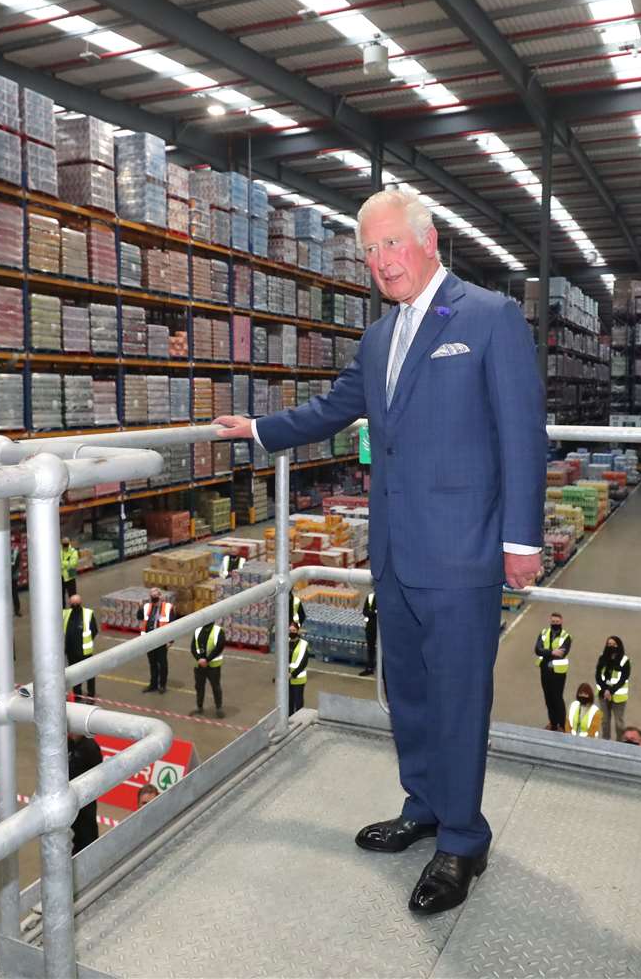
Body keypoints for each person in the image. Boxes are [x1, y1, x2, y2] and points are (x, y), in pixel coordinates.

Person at [213, 188, 546, 916]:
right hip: (396, 553)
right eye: (369, 250)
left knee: (459, 699)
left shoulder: (489, 319)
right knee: (413, 697)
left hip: (463, 554)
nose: (381, 262)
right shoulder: (377, 338)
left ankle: (462, 839)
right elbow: (335, 407)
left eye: (392, 244)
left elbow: (524, 436)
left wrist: (521, 540)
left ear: (430, 242)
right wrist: (260, 430)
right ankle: (424, 806)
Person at [66, 732, 103, 853]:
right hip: (69, 798)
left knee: (87, 835)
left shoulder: (90, 747)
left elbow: (98, 773)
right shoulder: (67, 743)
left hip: (85, 800)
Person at [534, 613, 572, 731]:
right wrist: (552, 652)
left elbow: (562, 653)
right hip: (545, 670)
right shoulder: (544, 633)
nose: (555, 623)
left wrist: (545, 652)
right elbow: (537, 649)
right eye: (553, 621)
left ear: (561, 622)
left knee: (557, 698)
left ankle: (561, 724)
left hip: (558, 672)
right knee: (548, 698)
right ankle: (553, 723)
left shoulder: (566, 637)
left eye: (557, 622)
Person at [594, 636, 632, 741]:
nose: (611, 646)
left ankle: (620, 743)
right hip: (603, 695)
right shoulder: (602, 657)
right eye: (609, 644)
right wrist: (605, 690)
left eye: (614, 644)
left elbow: (623, 678)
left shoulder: (625, 660)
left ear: (619, 645)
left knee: (619, 723)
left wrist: (611, 691)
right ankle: (606, 741)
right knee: (605, 721)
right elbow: (598, 675)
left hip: (618, 697)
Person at [63, 593, 96, 698]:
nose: (74, 605)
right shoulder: (65, 614)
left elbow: (94, 630)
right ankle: (77, 693)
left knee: (89, 673)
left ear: (80, 603)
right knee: (75, 674)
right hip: (71, 651)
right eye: (73, 603)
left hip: (84, 651)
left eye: (76, 603)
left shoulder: (87, 614)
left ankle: (91, 694)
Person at [190, 616, 224, 718]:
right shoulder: (197, 631)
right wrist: (199, 659)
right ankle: (199, 706)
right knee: (199, 687)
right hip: (199, 665)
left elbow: (219, 647)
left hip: (213, 666)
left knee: (215, 687)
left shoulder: (218, 631)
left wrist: (207, 660)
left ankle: (218, 708)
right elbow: (193, 647)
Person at [139, 587, 171, 694]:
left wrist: (170, 641)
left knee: (162, 664)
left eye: (156, 598)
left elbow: (174, 625)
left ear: (160, 596)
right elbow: (139, 617)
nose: (154, 601)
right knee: (152, 663)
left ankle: (162, 685)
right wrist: (140, 607)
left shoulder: (167, 607)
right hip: (149, 640)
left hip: (162, 641)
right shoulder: (147, 607)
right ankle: (153, 684)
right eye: (152, 598)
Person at [287, 619, 310, 715]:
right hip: (287, 678)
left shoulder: (303, 644)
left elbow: (303, 663)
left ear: (298, 631)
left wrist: (293, 674)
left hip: (298, 678)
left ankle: (299, 718)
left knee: (298, 701)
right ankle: (289, 719)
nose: (292, 633)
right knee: (289, 702)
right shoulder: (285, 642)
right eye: (290, 631)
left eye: (294, 631)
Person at [360, 589, 377, 676]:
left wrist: (372, 612)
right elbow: (365, 611)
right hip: (371, 626)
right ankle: (370, 667)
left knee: (384, 649)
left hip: (381, 627)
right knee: (370, 647)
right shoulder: (370, 597)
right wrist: (374, 612)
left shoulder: (385, 598)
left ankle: (384, 669)